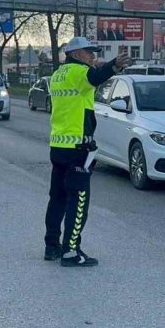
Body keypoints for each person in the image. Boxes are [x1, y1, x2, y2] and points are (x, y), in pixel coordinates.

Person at [43, 37, 128, 267]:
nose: (92, 56)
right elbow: (95, 77)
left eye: (93, 52)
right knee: (78, 200)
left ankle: (52, 246)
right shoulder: (80, 73)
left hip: (58, 145)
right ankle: (71, 252)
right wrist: (114, 65)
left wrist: (101, 65)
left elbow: (91, 75)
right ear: (76, 53)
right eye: (88, 52)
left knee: (57, 198)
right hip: (78, 147)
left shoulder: (58, 74)